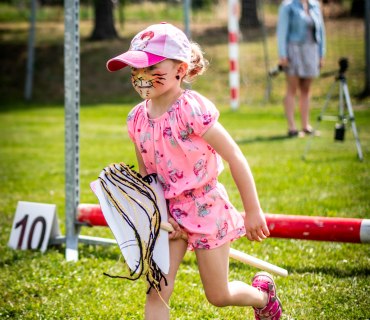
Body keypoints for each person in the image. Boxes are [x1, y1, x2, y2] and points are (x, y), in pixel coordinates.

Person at [106, 22, 282, 320]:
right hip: (168, 216)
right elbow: (148, 177)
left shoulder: (192, 109)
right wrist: (155, 216)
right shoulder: (136, 118)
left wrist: (253, 211)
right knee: (157, 288)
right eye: (135, 69)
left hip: (205, 208)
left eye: (150, 67)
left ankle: (264, 296)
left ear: (180, 69)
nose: (141, 77)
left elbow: (235, 157)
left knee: (219, 295)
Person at [277, 0, 326, 137]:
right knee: (292, 89)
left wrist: (322, 54)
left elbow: (321, 32)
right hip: (294, 51)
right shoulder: (287, 7)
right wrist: (283, 55)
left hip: (311, 51)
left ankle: (306, 126)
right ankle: (292, 127)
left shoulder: (315, 5)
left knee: (306, 89)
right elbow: (282, 32)